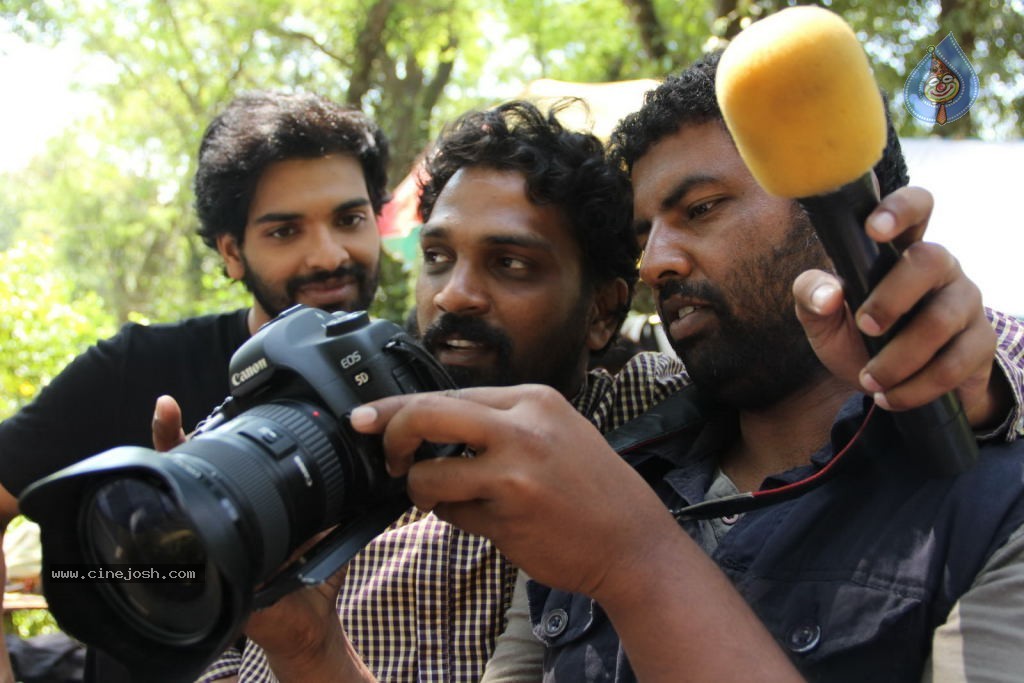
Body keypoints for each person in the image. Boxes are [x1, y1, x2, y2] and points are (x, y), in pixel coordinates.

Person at [347, 51, 1024, 682]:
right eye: (644, 235)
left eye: (700, 209)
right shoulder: (606, 468)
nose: (655, 264)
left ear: (844, 213)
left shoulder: (992, 509)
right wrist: (311, 647)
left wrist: (636, 559)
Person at [194, 99, 691, 683]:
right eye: (437, 257)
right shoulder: (326, 454)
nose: (454, 295)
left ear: (602, 311)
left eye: (510, 264)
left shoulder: (640, 422)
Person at [0, 89, 390, 682]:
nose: (328, 254)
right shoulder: (135, 369)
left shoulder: (417, 393)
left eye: (349, 219)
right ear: (232, 252)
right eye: (285, 231)